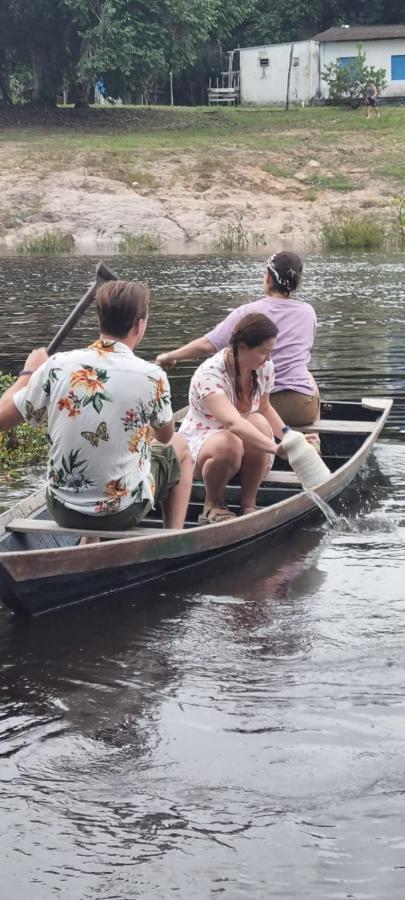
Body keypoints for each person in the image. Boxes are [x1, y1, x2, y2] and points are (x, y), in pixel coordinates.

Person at [0, 280, 193, 537]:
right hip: (122, 512)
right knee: (178, 447)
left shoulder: (57, 366)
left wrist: (28, 373)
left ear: (100, 320)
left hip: (62, 509)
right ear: (140, 325)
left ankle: (89, 543)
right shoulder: (152, 377)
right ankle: (173, 541)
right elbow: (165, 437)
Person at [156, 251, 320, 427]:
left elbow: (207, 345)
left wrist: (170, 356)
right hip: (300, 408)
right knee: (309, 379)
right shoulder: (308, 312)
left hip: (253, 404)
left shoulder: (247, 313)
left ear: (268, 279)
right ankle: (313, 439)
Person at [178, 313, 288, 524]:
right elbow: (232, 423)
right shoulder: (209, 374)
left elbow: (265, 409)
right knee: (230, 442)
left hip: (247, 449)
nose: (269, 358)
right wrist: (275, 448)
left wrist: (290, 438)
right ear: (243, 347)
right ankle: (213, 505)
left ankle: (249, 504)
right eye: (264, 352)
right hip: (205, 447)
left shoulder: (264, 367)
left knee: (258, 421)